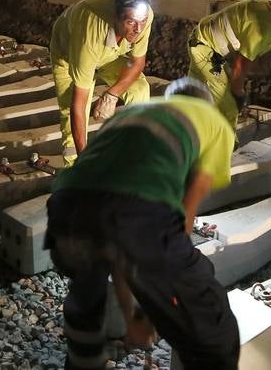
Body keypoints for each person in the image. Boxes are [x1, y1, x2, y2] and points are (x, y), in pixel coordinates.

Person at [46, 77, 240, 369]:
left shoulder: (130, 114)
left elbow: (118, 246)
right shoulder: (213, 121)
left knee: (88, 287)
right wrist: (160, 296)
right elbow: (181, 216)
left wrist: (133, 317)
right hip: (136, 212)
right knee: (211, 323)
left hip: (66, 208)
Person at [49, 0, 153, 165]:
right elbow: (79, 105)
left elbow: (137, 62)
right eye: (131, 23)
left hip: (110, 55)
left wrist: (112, 95)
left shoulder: (144, 14)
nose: (138, 29)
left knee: (140, 89)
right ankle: (75, 169)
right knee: (69, 110)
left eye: (142, 22)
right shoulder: (89, 33)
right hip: (68, 56)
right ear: (116, 17)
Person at [187, 0, 271, 126]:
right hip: (204, 46)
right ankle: (225, 144)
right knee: (228, 104)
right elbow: (240, 66)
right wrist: (238, 94)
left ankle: (184, 132)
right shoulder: (263, 24)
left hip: (207, 42)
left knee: (195, 96)